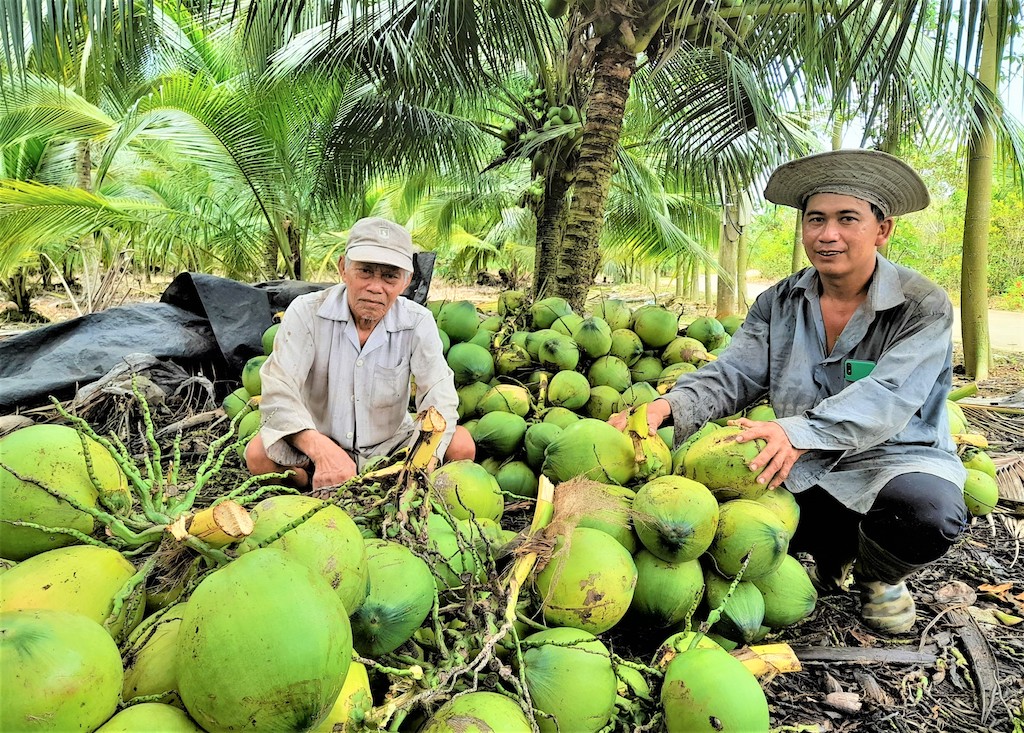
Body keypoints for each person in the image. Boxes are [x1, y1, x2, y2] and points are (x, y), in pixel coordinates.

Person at [613, 149, 968, 634]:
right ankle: (834, 554)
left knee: (929, 513)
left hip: (892, 462)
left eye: (847, 219)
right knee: (736, 529)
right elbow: (734, 374)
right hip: (799, 462)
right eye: (815, 219)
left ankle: (878, 575)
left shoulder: (922, 304)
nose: (828, 234)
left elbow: (888, 394)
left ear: (882, 230)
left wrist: (799, 431)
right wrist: (668, 406)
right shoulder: (778, 301)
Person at [245, 217, 475, 497]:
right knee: (258, 454)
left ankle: (387, 482)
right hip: (319, 439)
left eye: (390, 276)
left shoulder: (417, 322)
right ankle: (310, 483)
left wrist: (424, 460)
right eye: (365, 272)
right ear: (343, 268)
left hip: (389, 444)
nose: (375, 287)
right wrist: (321, 449)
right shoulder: (306, 312)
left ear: (406, 281)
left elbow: (440, 396)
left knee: (461, 444)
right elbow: (278, 390)